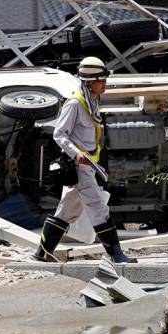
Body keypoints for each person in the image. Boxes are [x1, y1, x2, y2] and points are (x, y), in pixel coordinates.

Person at [34, 57, 136, 263]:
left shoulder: (92, 102)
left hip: (89, 166)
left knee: (65, 213)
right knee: (99, 209)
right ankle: (117, 255)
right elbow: (59, 134)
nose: (105, 83)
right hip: (79, 167)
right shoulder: (75, 104)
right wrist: (75, 153)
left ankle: (42, 253)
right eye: (101, 80)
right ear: (89, 82)